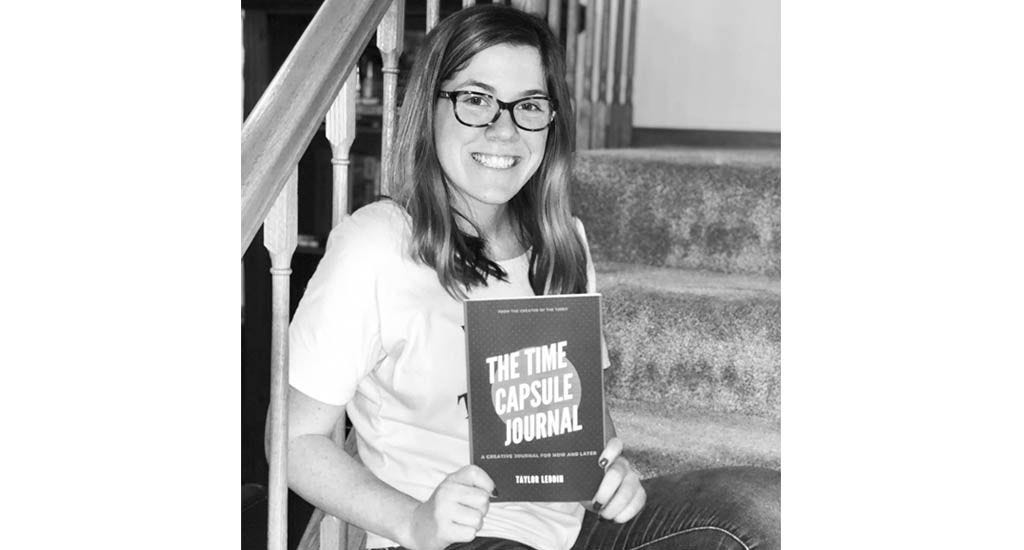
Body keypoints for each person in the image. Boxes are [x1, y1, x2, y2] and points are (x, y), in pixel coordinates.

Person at [272, 5, 779, 550]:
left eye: (529, 105)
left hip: (570, 535)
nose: (504, 129)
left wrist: (607, 473)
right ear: (429, 107)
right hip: (453, 540)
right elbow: (294, 441)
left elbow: (579, 410)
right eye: (476, 99)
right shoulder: (376, 245)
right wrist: (412, 521)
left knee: (763, 511)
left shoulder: (563, 241)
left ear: (550, 120)